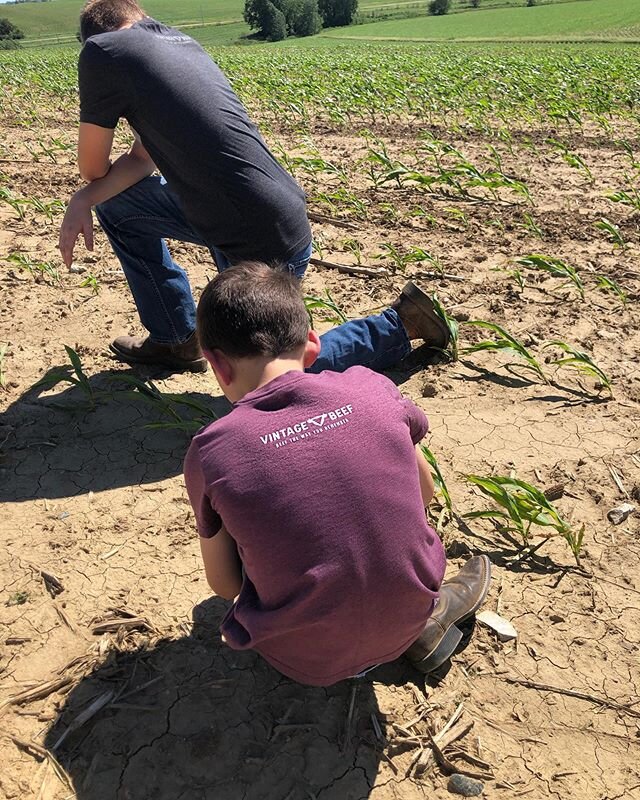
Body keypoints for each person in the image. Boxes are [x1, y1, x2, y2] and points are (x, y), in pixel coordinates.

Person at [59, 0, 450, 375]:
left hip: (261, 235)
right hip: (244, 211)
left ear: (94, 37)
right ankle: (174, 339)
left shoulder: (102, 51)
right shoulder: (172, 44)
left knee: (270, 369)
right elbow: (143, 160)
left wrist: (87, 186)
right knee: (116, 204)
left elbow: (93, 167)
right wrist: (86, 198)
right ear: (139, 16)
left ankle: (401, 324)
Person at [184, 262, 491, 686]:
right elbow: (426, 492)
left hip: (304, 662)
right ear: (312, 344)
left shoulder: (212, 450)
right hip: (405, 617)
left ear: (215, 364)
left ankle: (385, 632)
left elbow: (224, 586)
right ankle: (426, 622)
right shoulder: (370, 387)